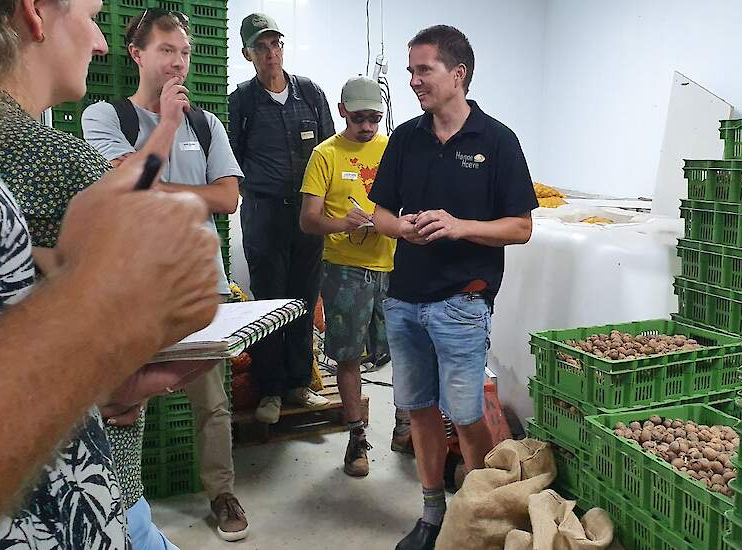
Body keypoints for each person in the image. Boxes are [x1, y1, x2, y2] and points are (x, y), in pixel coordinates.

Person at [0, 1, 218, 547]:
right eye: (92, 14)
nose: (99, 41)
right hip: (66, 503)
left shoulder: (202, 124)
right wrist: (94, 344)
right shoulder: (55, 150)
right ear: (35, 14)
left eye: (184, 52)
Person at [81, 8, 248, 543]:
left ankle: (221, 491)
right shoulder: (103, 118)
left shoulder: (207, 122)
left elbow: (228, 196)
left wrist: (161, 194)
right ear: (137, 54)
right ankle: (128, 511)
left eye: (185, 52)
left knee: (213, 404)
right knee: (129, 404)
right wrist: (166, 131)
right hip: (137, 291)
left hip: (202, 287)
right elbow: (126, 190)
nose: (178, 62)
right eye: (166, 51)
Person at [369, 25, 538, 550]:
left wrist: (460, 225)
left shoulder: (497, 141)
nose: (414, 81)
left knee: (466, 415)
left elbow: (521, 227)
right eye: (411, 71)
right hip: (403, 299)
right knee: (418, 408)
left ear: (457, 73)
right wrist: (402, 228)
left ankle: (483, 513)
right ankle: (432, 514)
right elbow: (379, 214)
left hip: (462, 300)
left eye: (425, 70)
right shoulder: (405, 139)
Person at [228, 13, 336, 424]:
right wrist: (252, 194)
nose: (271, 54)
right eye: (261, 47)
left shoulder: (309, 94)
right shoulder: (240, 102)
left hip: (309, 215)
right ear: (248, 54)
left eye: (276, 44)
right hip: (265, 215)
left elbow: (329, 151)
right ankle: (269, 390)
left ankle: (297, 383)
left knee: (305, 300)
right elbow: (231, 159)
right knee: (270, 305)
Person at [299, 76, 394, 477]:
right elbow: (308, 221)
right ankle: (356, 437)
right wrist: (343, 222)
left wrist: (391, 220)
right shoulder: (326, 155)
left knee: (401, 354)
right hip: (344, 270)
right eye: (359, 118)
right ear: (342, 111)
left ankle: (405, 426)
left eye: (375, 117)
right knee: (348, 356)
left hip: (390, 266)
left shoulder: (392, 149)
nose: (368, 126)